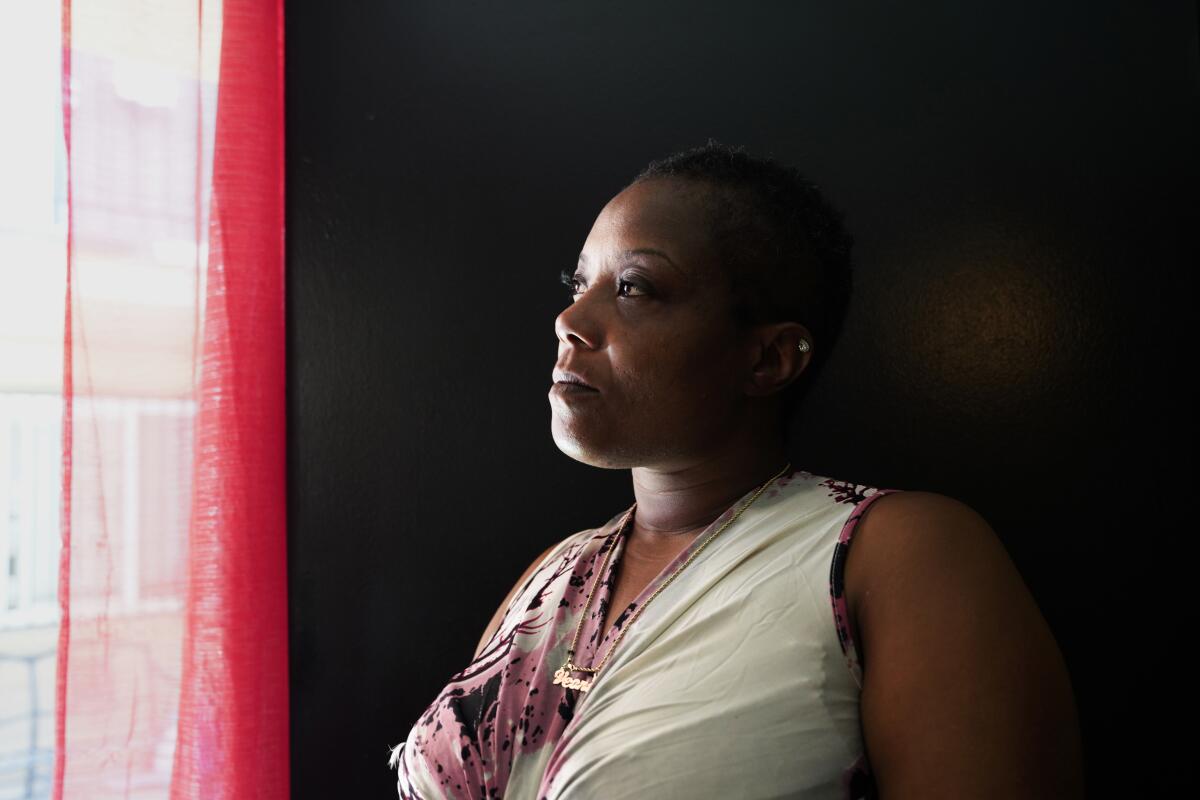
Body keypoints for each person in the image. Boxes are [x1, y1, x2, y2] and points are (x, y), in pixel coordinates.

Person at [388, 140, 1084, 798]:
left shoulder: (894, 553)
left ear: (768, 359)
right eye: (580, 282)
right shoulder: (549, 580)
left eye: (633, 287)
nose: (571, 319)